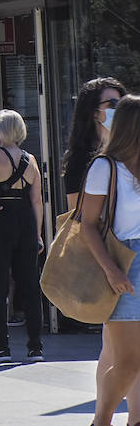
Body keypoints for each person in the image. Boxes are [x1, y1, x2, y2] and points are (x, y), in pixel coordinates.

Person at [82, 95, 140, 426]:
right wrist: (111, 270)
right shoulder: (105, 167)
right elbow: (88, 225)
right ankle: (101, 420)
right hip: (125, 261)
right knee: (129, 361)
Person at [0, 109, 44, 362]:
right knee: (29, 284)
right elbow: (37, 201)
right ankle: (35, 346)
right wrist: (37, 232)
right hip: (24, 220)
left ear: (2, 130)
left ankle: (1, 346)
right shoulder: (31, 159)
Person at [64, 77, 127, 211]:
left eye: (122, 104)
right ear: (94, 112)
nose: (119, 110)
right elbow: (76, 215)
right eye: (113, 104)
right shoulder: (80, 161)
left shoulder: (128, 152)